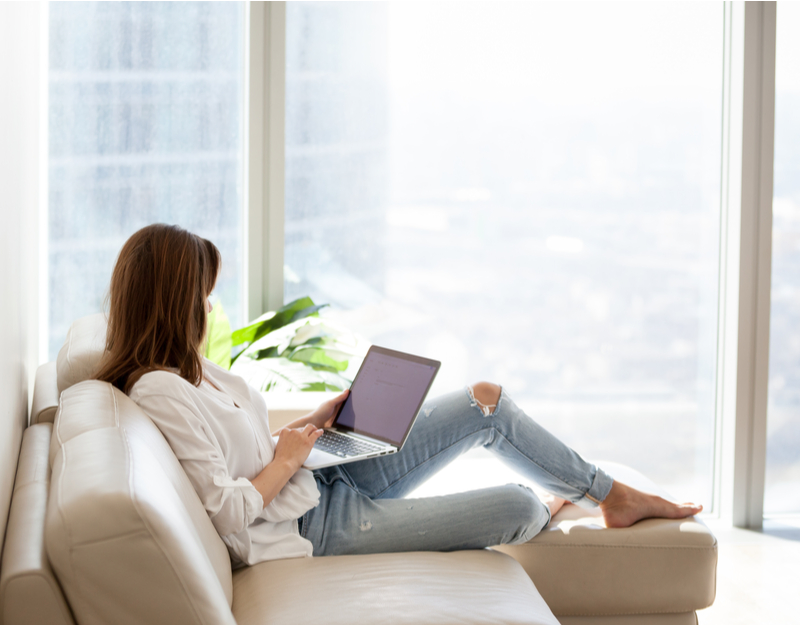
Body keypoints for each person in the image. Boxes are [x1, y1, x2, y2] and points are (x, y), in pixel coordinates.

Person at [95, 223, 702, 568]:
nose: (210, 306)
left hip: (317, 478)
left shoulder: (194, 369)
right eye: (203, 294)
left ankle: (610, 495)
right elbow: (225, 512)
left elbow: (239, 452)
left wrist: (311, 425)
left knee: (481, 399)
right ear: (174, 301)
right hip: (316, 526)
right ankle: (570, 500)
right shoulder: (157, 391)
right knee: (520, 507)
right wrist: (286, 460)